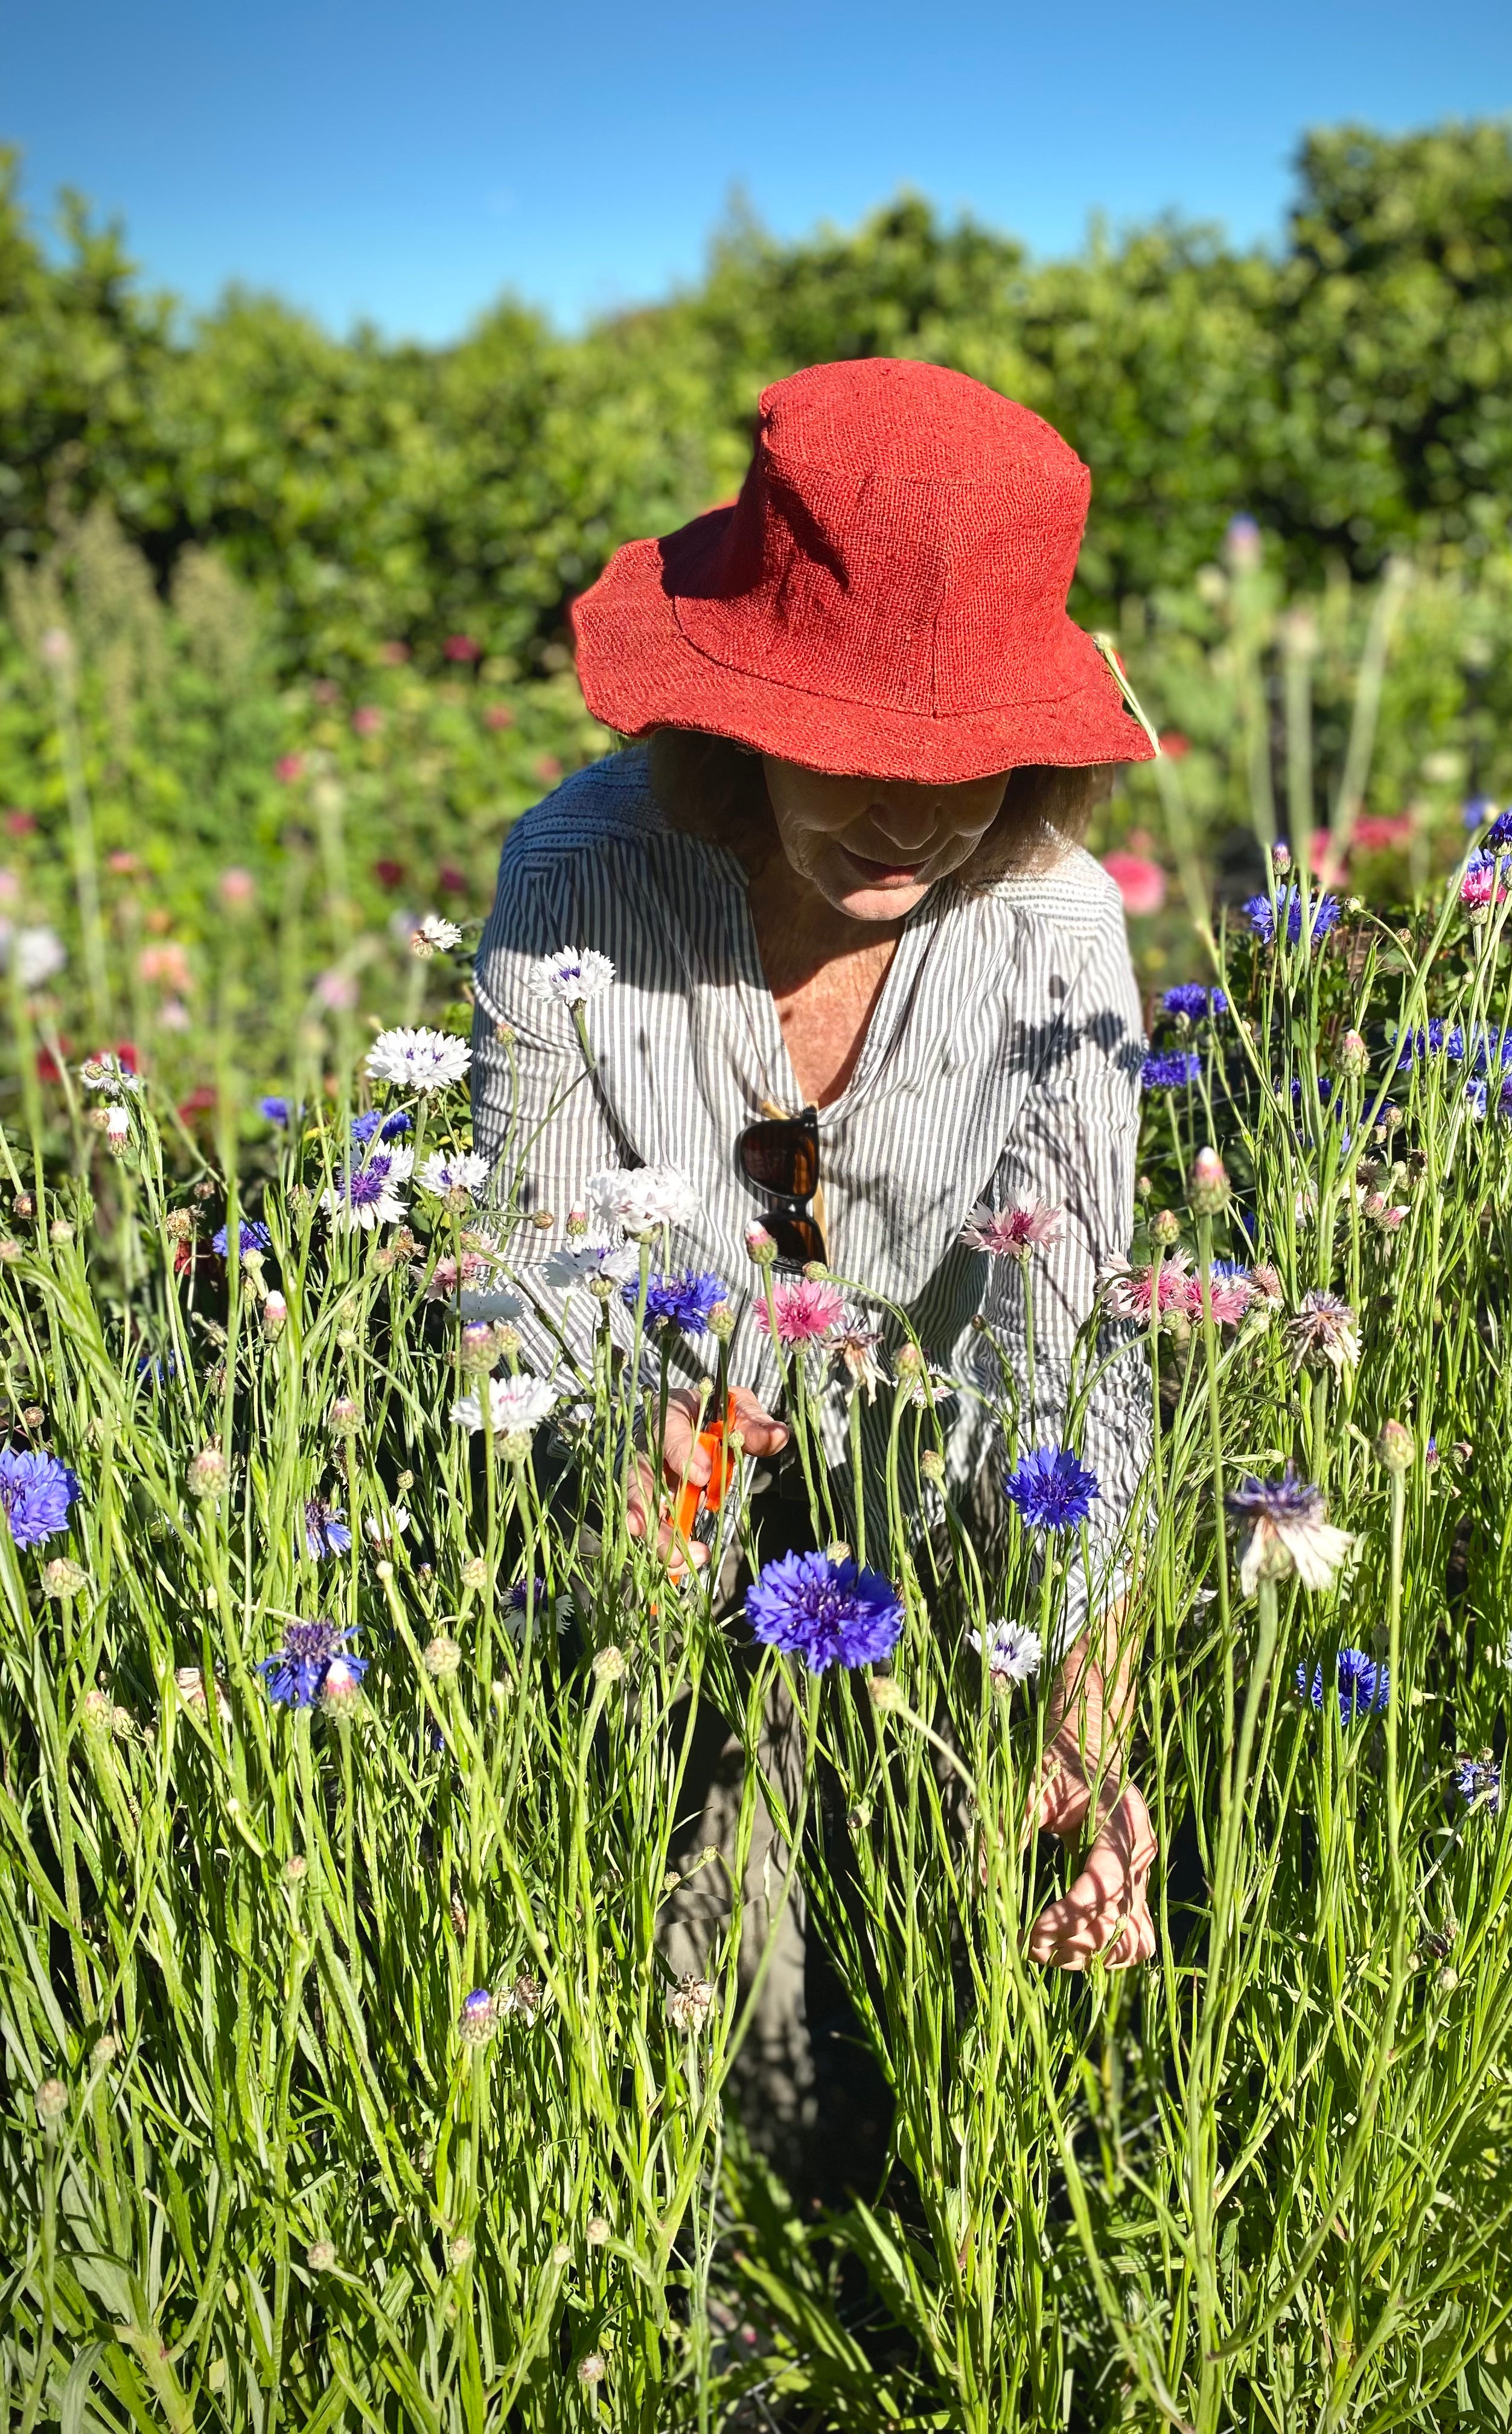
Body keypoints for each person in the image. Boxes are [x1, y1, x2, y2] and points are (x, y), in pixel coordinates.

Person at [470, 358, 1160, 2127]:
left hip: (942, 1484)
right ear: (734, 712)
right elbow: (538, 1260)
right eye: (854, 750)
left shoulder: (1052, 926)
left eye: (961, 763)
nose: (912, 815)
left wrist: (1086, 1698)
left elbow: (1064, 1332)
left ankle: (911, 2179)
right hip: (658, 1471)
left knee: (934, 1891)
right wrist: (625, 1438)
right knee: (659, 1905)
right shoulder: (574, 884)